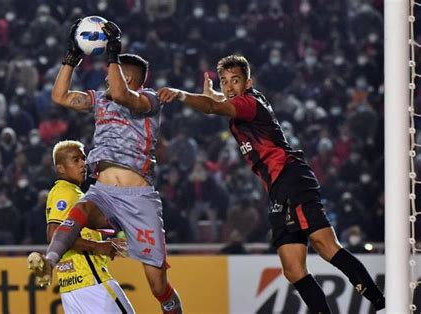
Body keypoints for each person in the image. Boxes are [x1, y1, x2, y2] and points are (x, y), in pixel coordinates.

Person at [157, 54, 385, 313]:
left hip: (290, 178)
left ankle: (382, 303)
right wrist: (214, 95)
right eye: (224, 81)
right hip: (278, 188)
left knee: (325, 245)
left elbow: (214, 108)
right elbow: (222, 101)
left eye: (235, 81)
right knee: (293, 268)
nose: (229, 87)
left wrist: (180, 94)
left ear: (248, 82)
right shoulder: (250, 99)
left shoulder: (249, 103)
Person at [28, 19, 182, 313]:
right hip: (104, 192)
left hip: (139, 198)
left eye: (114, 73)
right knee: (80, 210)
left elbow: (124, 95)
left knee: (157, 284)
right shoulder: (99, 100)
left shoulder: (148, 99)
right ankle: (49, 262)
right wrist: (71, 58)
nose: (107, 78)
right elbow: (59, 96)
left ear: (131, 79)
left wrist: (113, 51)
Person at [27, 140, 134, 313]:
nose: (83, 164)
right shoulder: (66, 191)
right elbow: (54, 233)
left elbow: (67, 231)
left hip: (72, 288)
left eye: (83, 159)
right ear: (60, 168)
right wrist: (98, 247)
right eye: (75, 160)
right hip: (91, 283)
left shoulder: (71, 193)